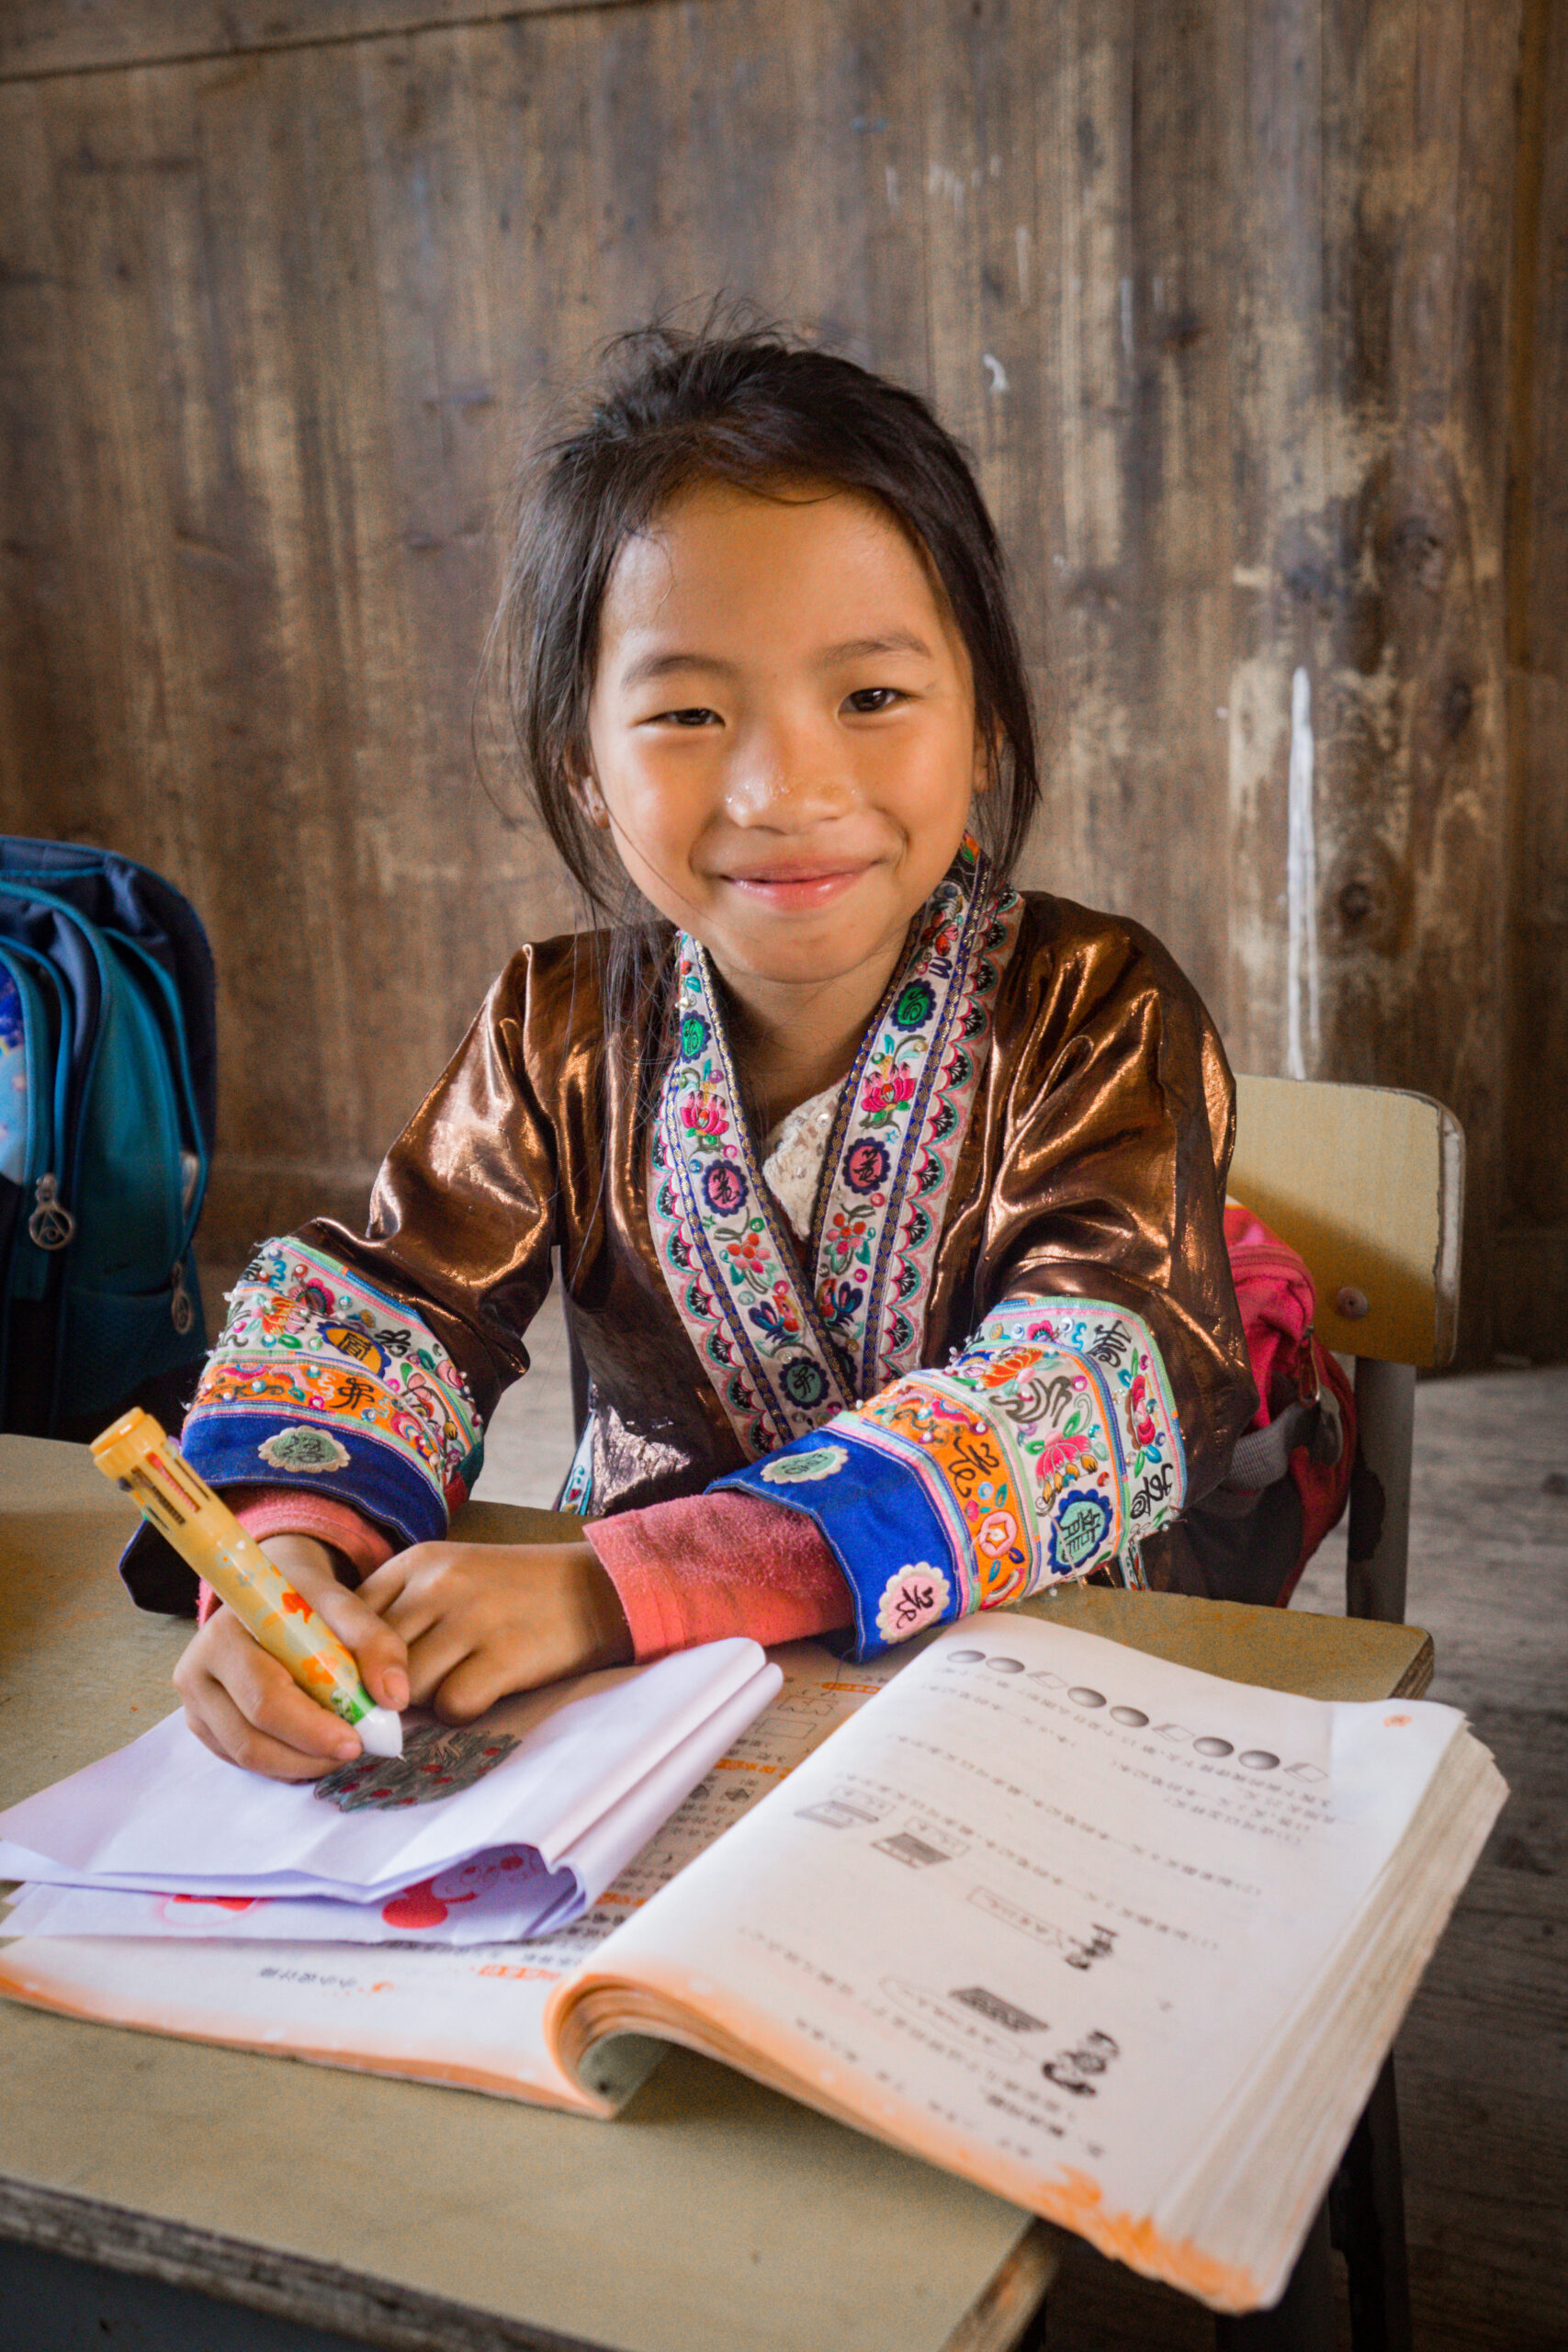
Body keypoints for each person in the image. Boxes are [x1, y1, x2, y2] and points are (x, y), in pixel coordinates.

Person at [125, 323, 1256, 1780]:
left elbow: (1097, 1372)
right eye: (687, 714)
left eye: (871, 696)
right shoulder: (555, 1025)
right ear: (588, 769)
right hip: (619, 1734)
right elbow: (388, 1304)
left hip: (1029, 1694)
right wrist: (283, 1559)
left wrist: (616, 1585)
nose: (786, 787)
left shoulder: (1094, 1006)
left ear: (980, 719)